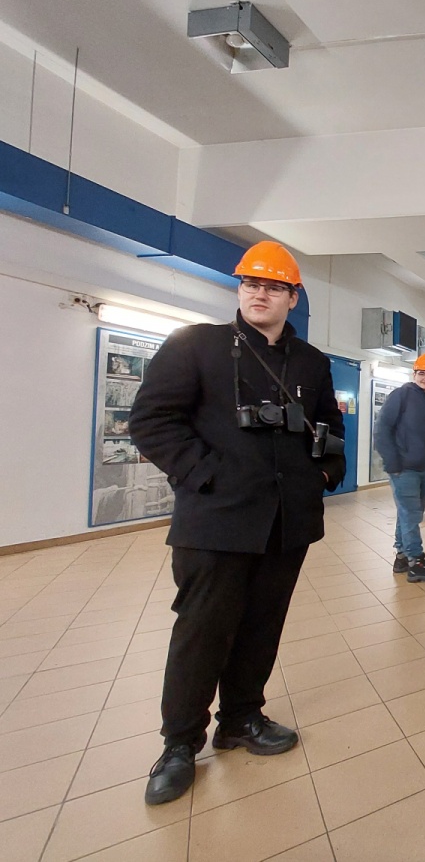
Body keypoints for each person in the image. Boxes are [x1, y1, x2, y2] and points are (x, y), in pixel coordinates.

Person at [128, 241, 346, 806]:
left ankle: (242, 717)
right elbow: (151, 421)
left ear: (293, 297)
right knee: (202, 630)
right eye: (251, 283)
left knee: (261, 625)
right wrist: (204, 476)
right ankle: (179, 743)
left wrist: (323, 475)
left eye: (273, 287)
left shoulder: (311, 362)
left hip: (286, 523)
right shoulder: (196, 346)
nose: (259, 294)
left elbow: (328, 427)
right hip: (217, 521)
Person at [375, 353, 425, 583]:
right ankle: (416, 561)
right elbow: (382, 429)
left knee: (409, 513)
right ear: (413, 374)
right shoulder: (401, 395)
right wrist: (392, 463)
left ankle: (401, 557)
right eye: (422, 373)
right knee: (410, 514)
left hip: (424, 467)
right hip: (404, 468)